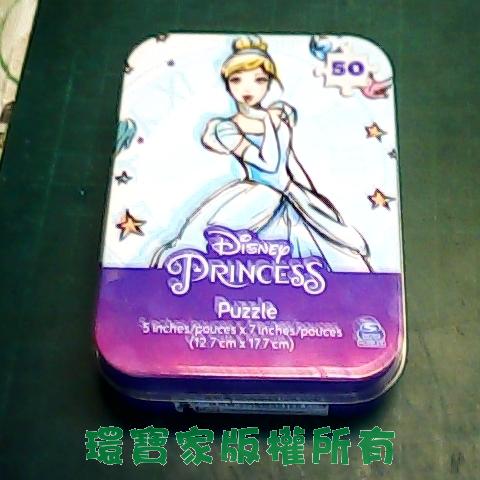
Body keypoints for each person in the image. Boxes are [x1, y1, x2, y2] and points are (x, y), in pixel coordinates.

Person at [151, 36, 372, 272]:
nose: (248, 89)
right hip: (258, 196)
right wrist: (267, 120)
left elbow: (290, 163)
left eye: (259, 80)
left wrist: (312, 199)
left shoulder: (280, 119)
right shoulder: (227, 128)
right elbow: (267, 163)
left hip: (291, 192)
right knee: (214, 241)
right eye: (237, 80)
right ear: (227, 84)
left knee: (327, 251)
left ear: (269, 83)